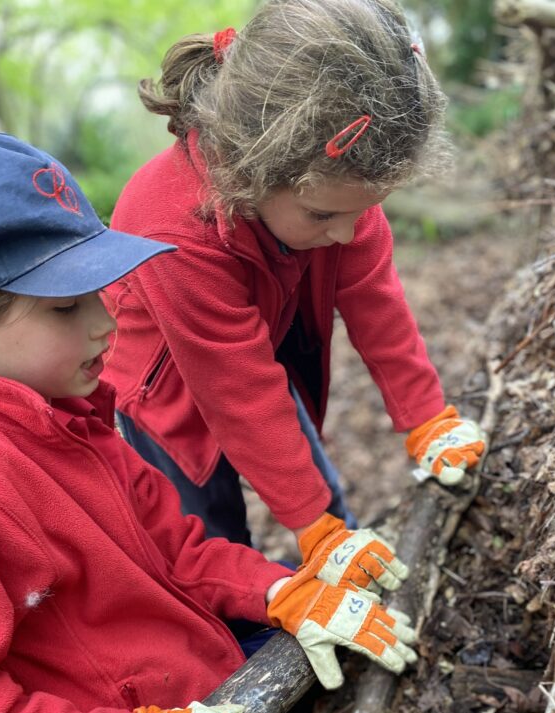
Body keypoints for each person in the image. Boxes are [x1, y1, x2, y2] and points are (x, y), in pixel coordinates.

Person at [0, 133, 418, 713]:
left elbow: (180, 550)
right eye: (65, 307)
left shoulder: (75, 418)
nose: (105, 325)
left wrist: (283, 591)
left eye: (100, 292)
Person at [103, 0, 486, 575]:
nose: (349, 232)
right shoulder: (174, 229)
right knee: (206, 533)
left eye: (366, 211)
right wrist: (310, 527)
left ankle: (351, 558)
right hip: (162, 386)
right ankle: (238, 643)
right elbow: (241, 393)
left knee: (313, 484)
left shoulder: (340, 188)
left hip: (257, 333)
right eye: (322, 217)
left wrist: (426, 417)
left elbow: (377, 304)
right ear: (249, 171)